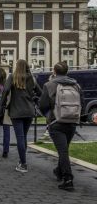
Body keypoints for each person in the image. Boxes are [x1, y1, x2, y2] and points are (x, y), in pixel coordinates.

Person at [39, 62, 83, 191]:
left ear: (54, 71)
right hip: (72, 122)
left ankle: (68, 179)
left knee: (63, 151)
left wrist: (48, 115)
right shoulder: (76, 85)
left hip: (56, 122)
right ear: (67, 71)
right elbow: (82, 101)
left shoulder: (49, 85)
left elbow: (42, 105)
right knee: (64, 150)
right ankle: (59, 171)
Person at [1, 59, 41, 173]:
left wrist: (2, 105)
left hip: (16, 111)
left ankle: (23, 164)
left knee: (20, 137)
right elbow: (40, 93)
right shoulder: (32, 78)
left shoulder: (12, 77)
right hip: (29, 111)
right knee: (23, 136)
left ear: (17, 67)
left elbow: (6, 90)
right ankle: (21, 161)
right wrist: (34, 98)